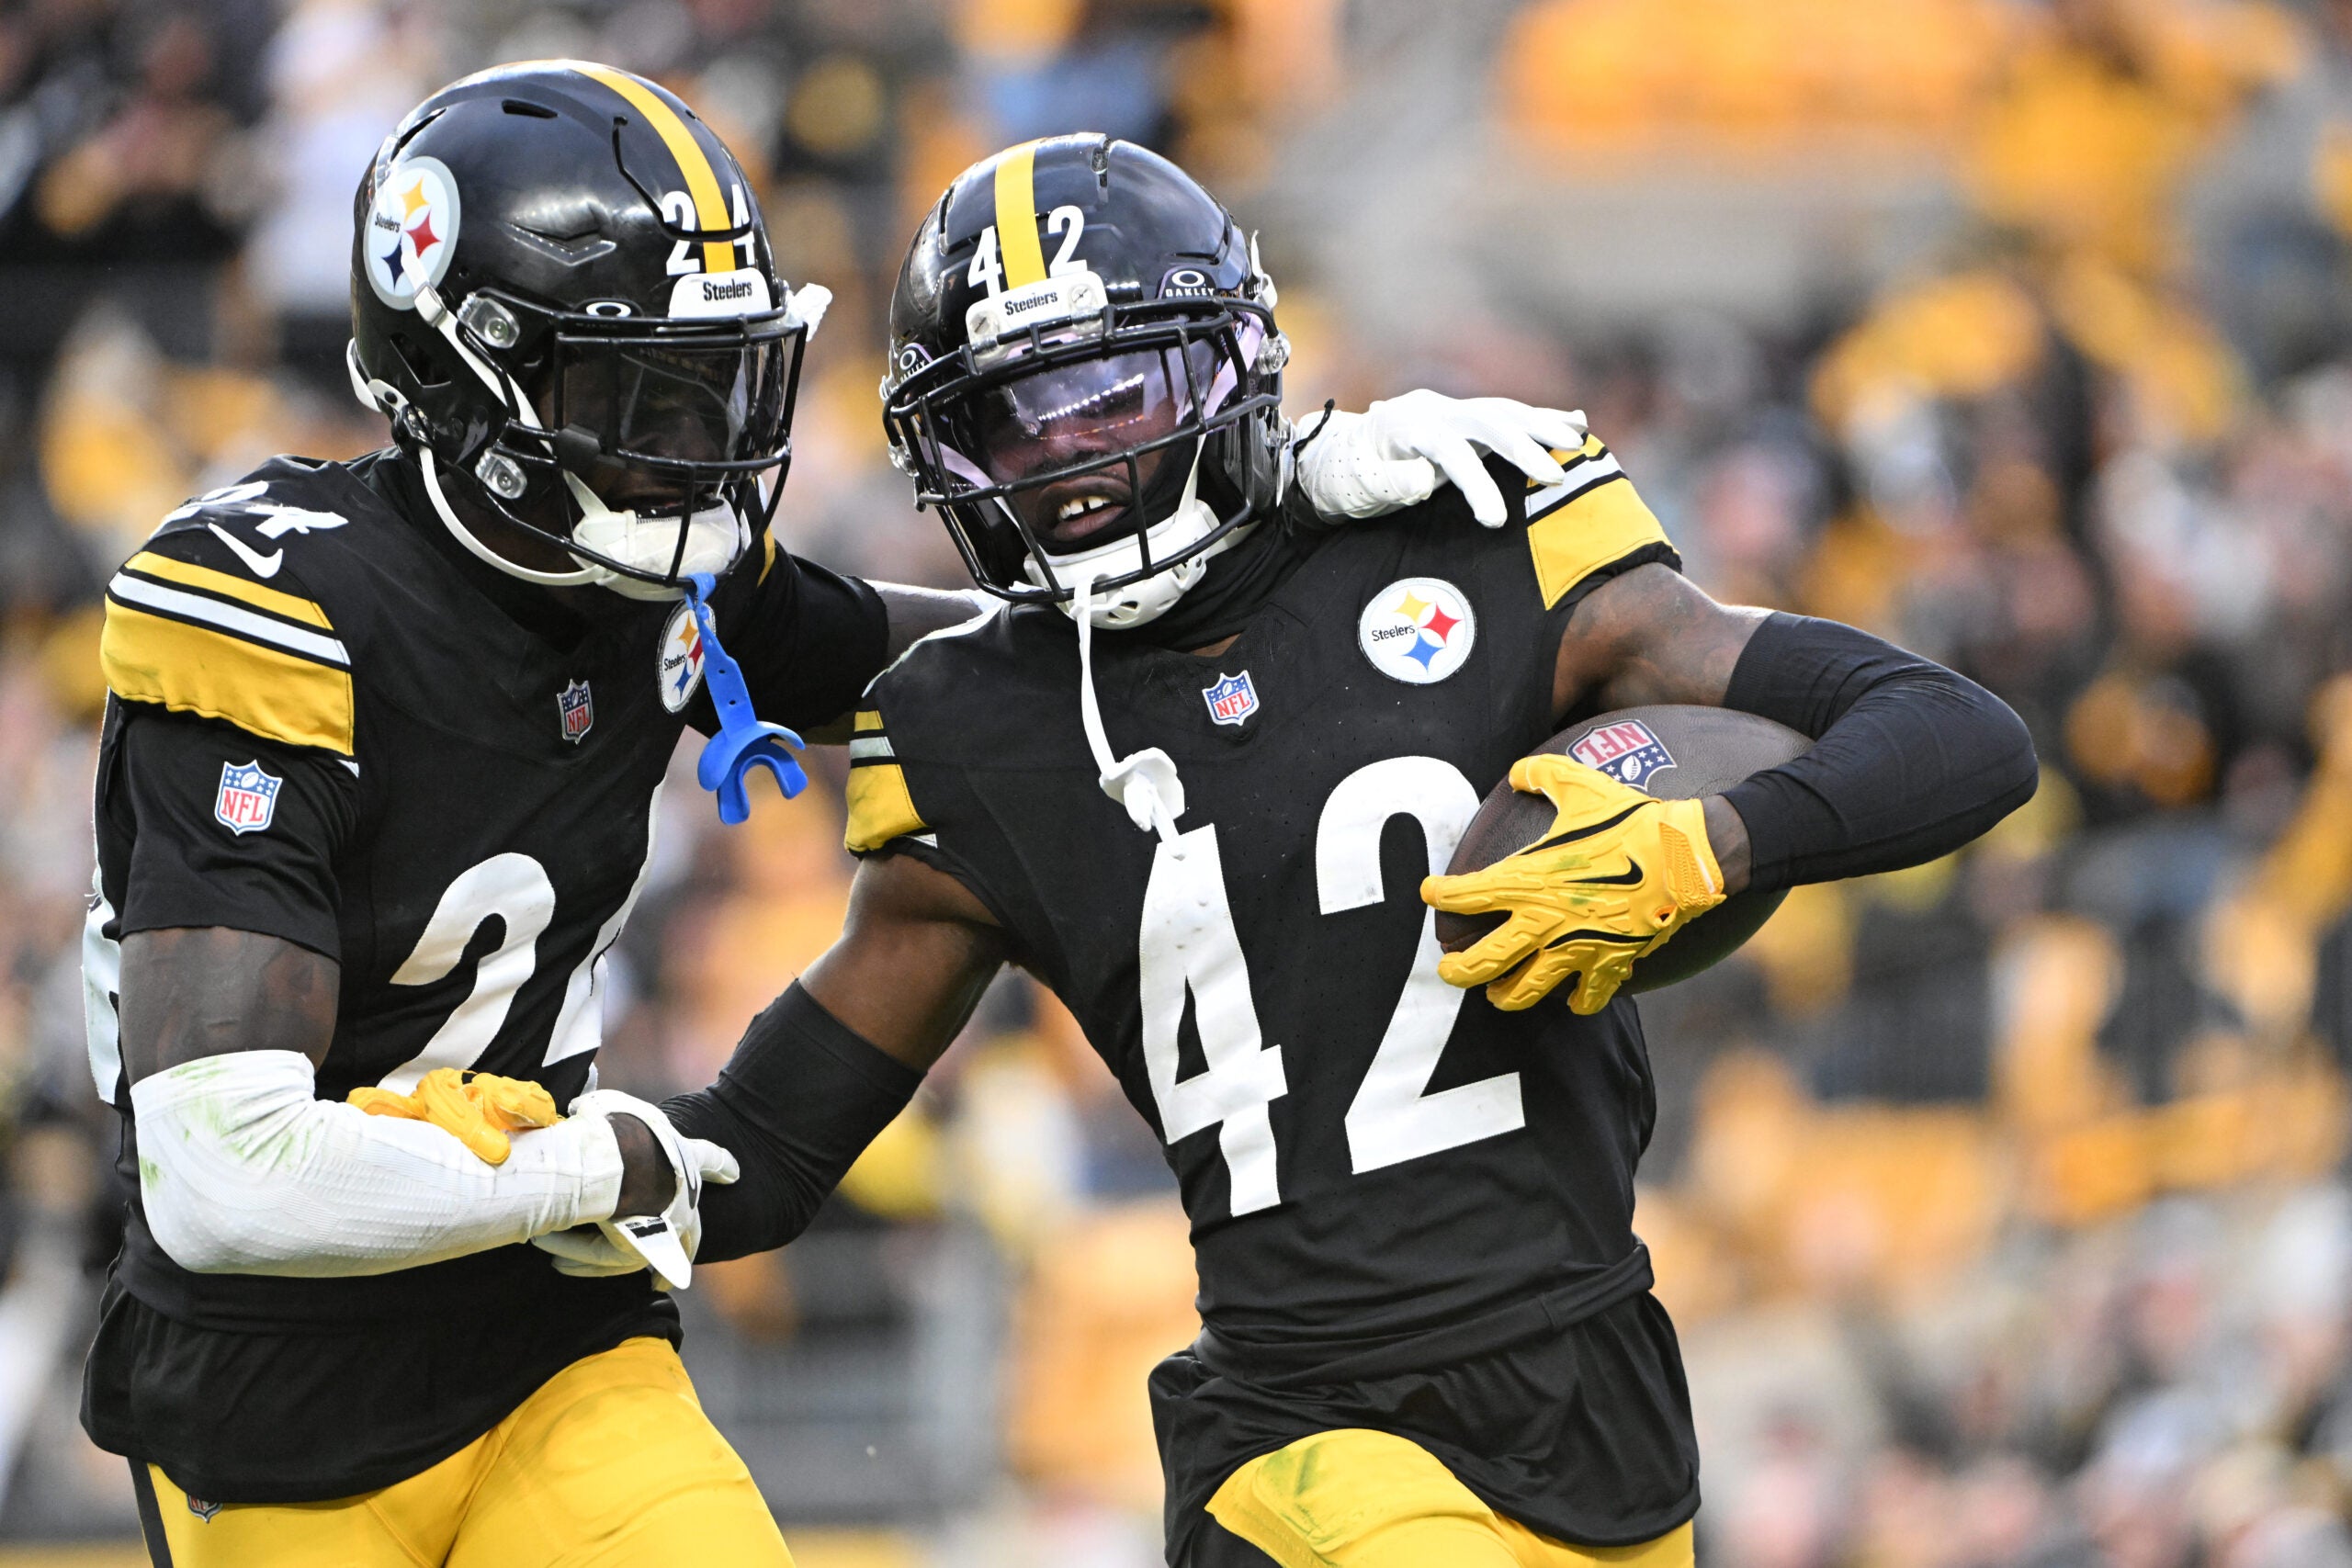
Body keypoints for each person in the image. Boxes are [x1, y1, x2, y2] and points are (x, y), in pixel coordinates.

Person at [80, 68, 1556, 1566]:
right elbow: (224, 1178)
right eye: (635, 393)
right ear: (469, 384)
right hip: (271, 1401)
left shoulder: (657, 563)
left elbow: (1012, 672)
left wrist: (1273, 519)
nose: (694, 441)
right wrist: (593, 1166)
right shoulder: (276, 614)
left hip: (542, 1334)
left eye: (713, 379)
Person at [655, 137, 2042, 1568]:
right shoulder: (979, 719)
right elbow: (767, 1147)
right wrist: (573, 1169)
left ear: (1232, 361)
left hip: (1596, 1395)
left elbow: (1961, 737)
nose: (1073, 460)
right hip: (1298, 1438)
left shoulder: (1478, 543)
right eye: (1015, 421)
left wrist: (1717, 844)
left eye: (1112, 393)